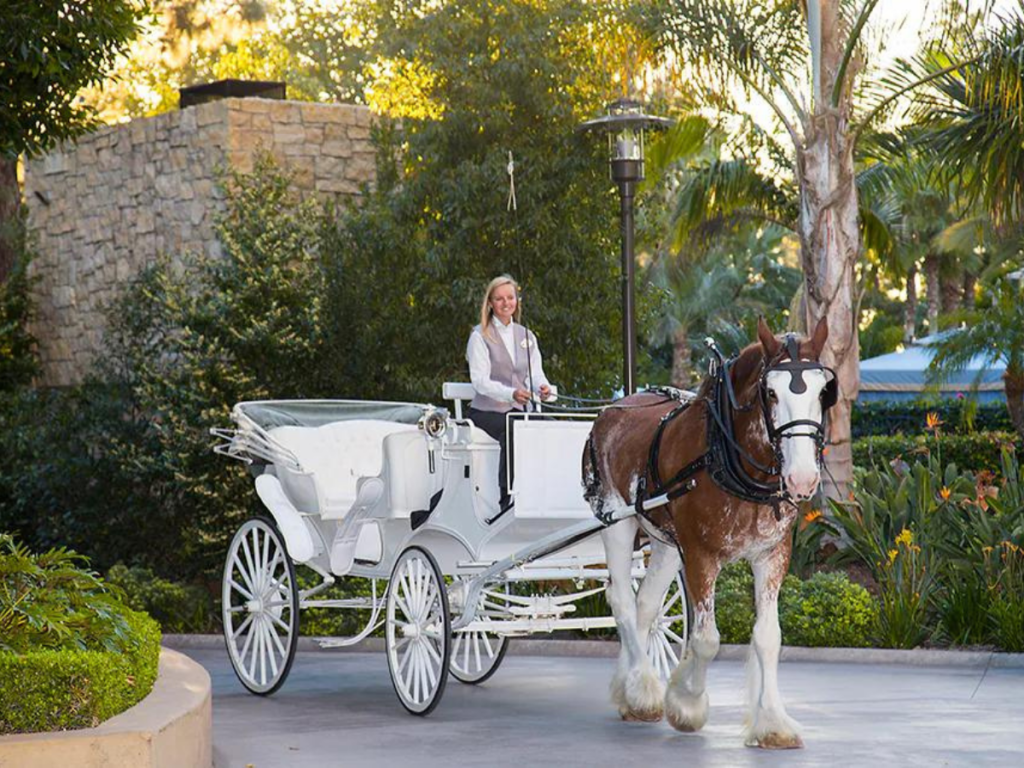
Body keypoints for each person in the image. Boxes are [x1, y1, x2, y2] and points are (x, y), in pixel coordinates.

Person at [466, 275, 552, 511]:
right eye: (499, 299)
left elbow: (535, 375)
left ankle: (546, 493)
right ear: (490, 303)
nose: (506, 303)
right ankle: (508, 498)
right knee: (513, 428)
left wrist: (544, 389)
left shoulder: (527, 336)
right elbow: (480, 382)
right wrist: (511, 394)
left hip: (519, 409)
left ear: (517, 300)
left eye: (510, 297)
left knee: (550, 426)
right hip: (485, 411)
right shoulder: (479, 336)